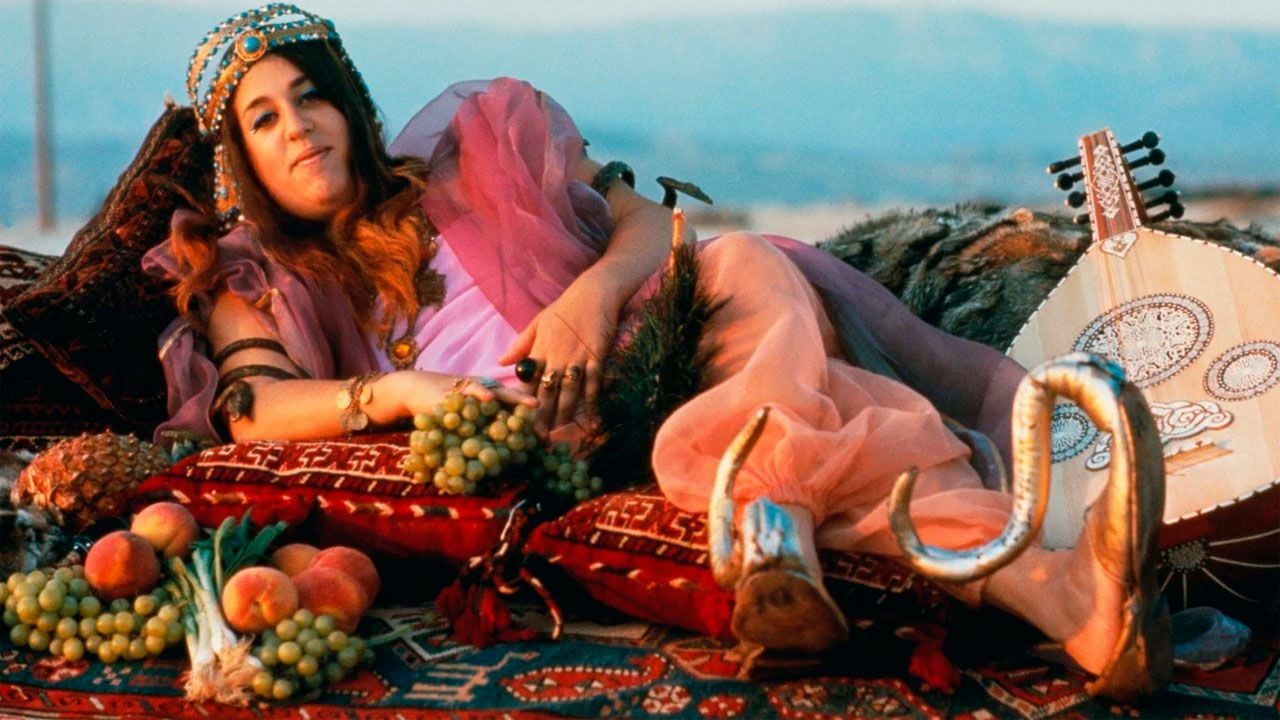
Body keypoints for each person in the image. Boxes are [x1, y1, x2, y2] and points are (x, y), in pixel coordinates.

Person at [143, 4, 1171, 701]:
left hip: (653, 346)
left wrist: (588, 301)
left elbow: (644, 223)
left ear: (348, 103)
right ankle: (832, 532)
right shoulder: (248, 271)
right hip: (558, 430)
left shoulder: (466, 156)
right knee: (827, 399)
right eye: (263, 118)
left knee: (744, 270)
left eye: (311, 96)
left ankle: (1039, 597)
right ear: (241, 158)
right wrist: (406, 389)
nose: (298, 129)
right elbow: (255, 409)